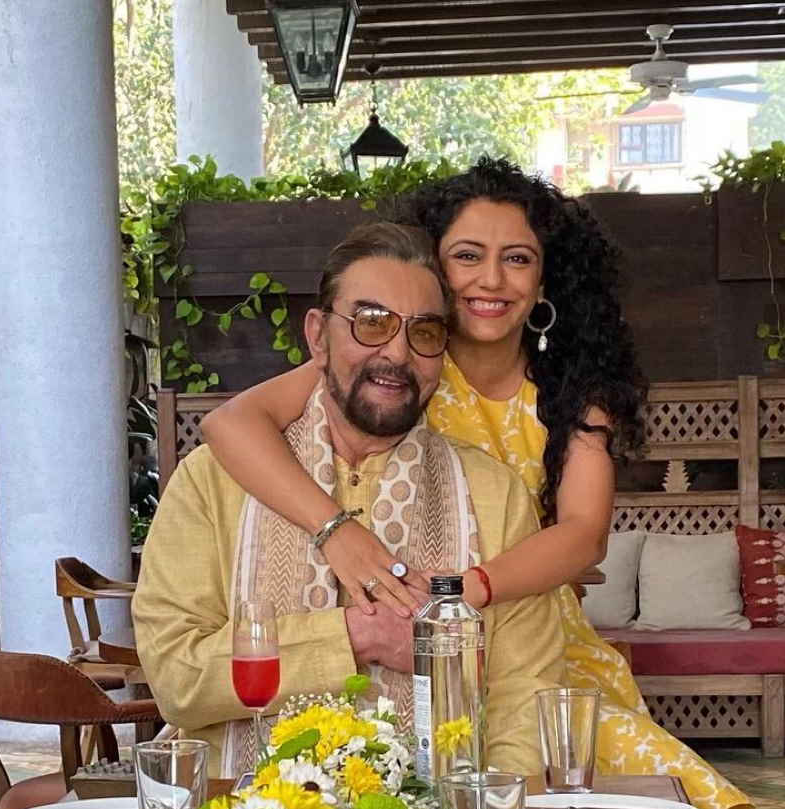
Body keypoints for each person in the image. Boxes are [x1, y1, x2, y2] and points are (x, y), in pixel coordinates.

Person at [201, 159, 751, 809]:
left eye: (517, 259)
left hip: (533, 643)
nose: (492, 279)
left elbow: (583, 534)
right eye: (467, 256)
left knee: (683, 790)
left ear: (545, 279)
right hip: (396, 639)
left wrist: (457, 594)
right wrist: (336, 531)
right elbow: (229, 423)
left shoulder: (572, 391)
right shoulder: (401, 368)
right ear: (435, 269)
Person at [132, 222, 566, 778]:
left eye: (424, 332)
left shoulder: (493, 494)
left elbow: (525, 702)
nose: (398, 353)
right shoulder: (213, 481)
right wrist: (355, 636)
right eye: (371, 322)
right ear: (318, 336)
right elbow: (175, 677)